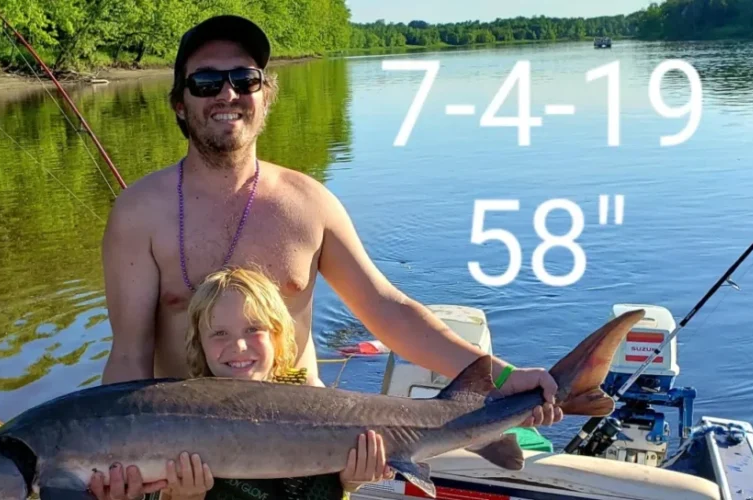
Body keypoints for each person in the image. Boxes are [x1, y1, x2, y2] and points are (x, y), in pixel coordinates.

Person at [92, 14, 563, 499]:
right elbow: (129, 356)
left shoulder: (309, 204)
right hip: (186, 469)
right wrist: (113, 463)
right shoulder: (138, 214)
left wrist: (502, 375)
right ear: (179, 103)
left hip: (314, 457)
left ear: (266, 95)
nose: (227, 94)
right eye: (207, 82)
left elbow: (387, 311)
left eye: (245, 79)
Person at [158, 266, 394, 500]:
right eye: (219, 334)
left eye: (253, 329)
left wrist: (351, 481)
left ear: (276, 334)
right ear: (200, 343)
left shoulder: (310, 394)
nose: (239, 346)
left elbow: (337, 484)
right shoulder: (176, 414)